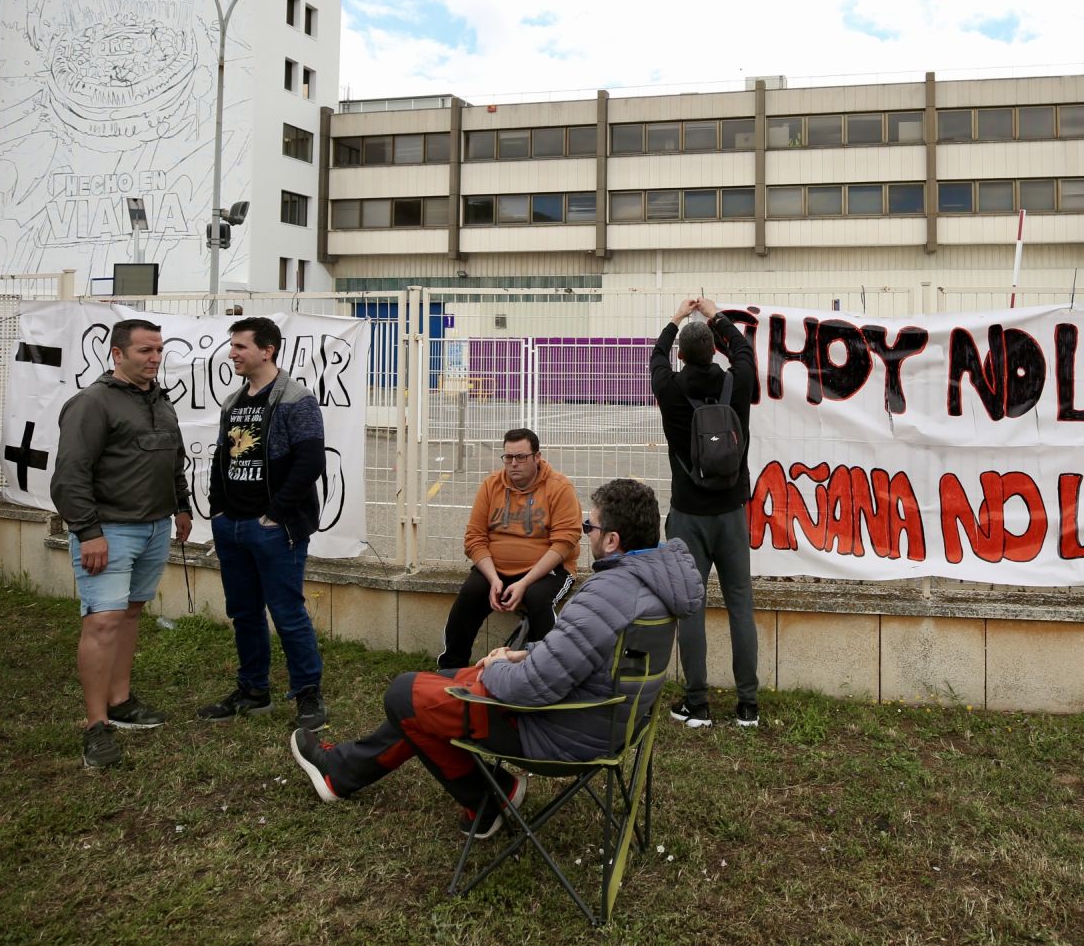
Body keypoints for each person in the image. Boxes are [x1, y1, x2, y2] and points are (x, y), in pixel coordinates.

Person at [290, 478, 700, 837]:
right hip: (604, 722)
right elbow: (581, 654)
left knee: (404, 694)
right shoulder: (651, 587)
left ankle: (489, 799)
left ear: (612, 540)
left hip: (558, 732)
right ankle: (340, 773)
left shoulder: (608, 592)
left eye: (589, 526)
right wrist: (523, 653)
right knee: (445, 679)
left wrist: (501, 666)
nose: (585, 533)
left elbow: (532, 688)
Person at [50, 318, 192, 770]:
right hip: (109, 531)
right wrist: (88, 531)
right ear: (117, 353)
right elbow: (70, 475)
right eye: (145, 351)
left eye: (158, 351)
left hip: (154, 528)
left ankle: (121, 700)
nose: (154, 359)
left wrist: (181, 506)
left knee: (130, 613)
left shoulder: (160, 399)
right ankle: (96, 726)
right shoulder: (91, 403)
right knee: (103, 622)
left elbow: (173, 457)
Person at [197, 316, 329, 731]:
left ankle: (308, 695)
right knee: (244, 614)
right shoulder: (233, 401)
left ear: (266, 350)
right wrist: (218, 510)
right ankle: (253, 691)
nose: (232, 353)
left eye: (240, 346)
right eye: (232, 346)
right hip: (231, 526)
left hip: (274, 529)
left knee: (288, 614)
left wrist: (275, 514)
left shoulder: (296, 399)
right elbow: (222, 458)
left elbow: (311, 461)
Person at [651, 295, 760, 727]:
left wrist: (676, 318)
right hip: (732, 511)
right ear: (715, 349)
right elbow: (745, 350)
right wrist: (716, 315)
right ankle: (747, 705)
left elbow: (657, 356)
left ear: (681, 354)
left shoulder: (670, 390)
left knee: (691, 606)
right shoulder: (738, 383)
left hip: (688, 513)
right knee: (740, 604)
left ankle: (696, 703)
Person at [438, 428, 583, 673]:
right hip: (497, 568)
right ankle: (451, 668)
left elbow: (564, 542)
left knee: (538, 601)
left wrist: (525, 582)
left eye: (521, 457)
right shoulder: (491, 485)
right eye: (508, 458)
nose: (513, 464)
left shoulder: (559, 487)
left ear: (537, 457)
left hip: (548, 570)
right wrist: (494, 579)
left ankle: (545, 671)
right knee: (471, 593)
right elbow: (474, 539)